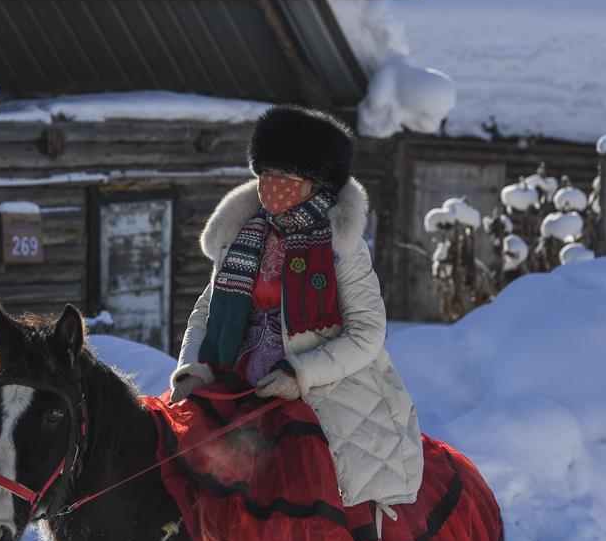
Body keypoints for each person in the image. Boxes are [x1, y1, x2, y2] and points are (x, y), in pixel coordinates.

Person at [170, 104, 423, 511]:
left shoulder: (340, 248)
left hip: (316, 387)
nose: (270, 186)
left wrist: (301, 373)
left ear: (315, 185)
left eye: (284, 178)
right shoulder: (244, 233)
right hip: (234, 373)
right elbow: (207, 312)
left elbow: (368, 333)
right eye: (265, 175)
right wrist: (193, 368)